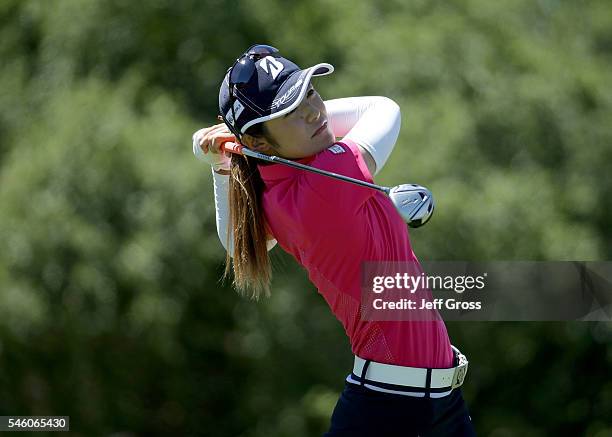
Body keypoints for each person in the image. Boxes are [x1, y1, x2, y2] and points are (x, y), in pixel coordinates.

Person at [192, 44, 476, 436]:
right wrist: (233, 142)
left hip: (430, 404)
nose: (313, 111)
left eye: (310, 92)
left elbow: (235, 240)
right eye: (289, 111)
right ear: (259, 144)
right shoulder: (324, 181)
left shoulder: (278, 190)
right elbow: (382, 109)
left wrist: (223, 161)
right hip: (391, 413)